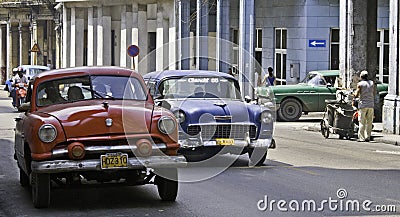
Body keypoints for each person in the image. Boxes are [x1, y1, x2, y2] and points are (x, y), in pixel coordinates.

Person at [354, 70, 375, 142]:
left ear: (361, 77)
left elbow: (356, 94)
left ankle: (361, 138)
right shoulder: (372, 83)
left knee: (362, 122)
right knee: (369, 122)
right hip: (371, 104)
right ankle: (368, 137)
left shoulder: (360, 84)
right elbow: (373, 92)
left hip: (363, 105)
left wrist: (354, 94)